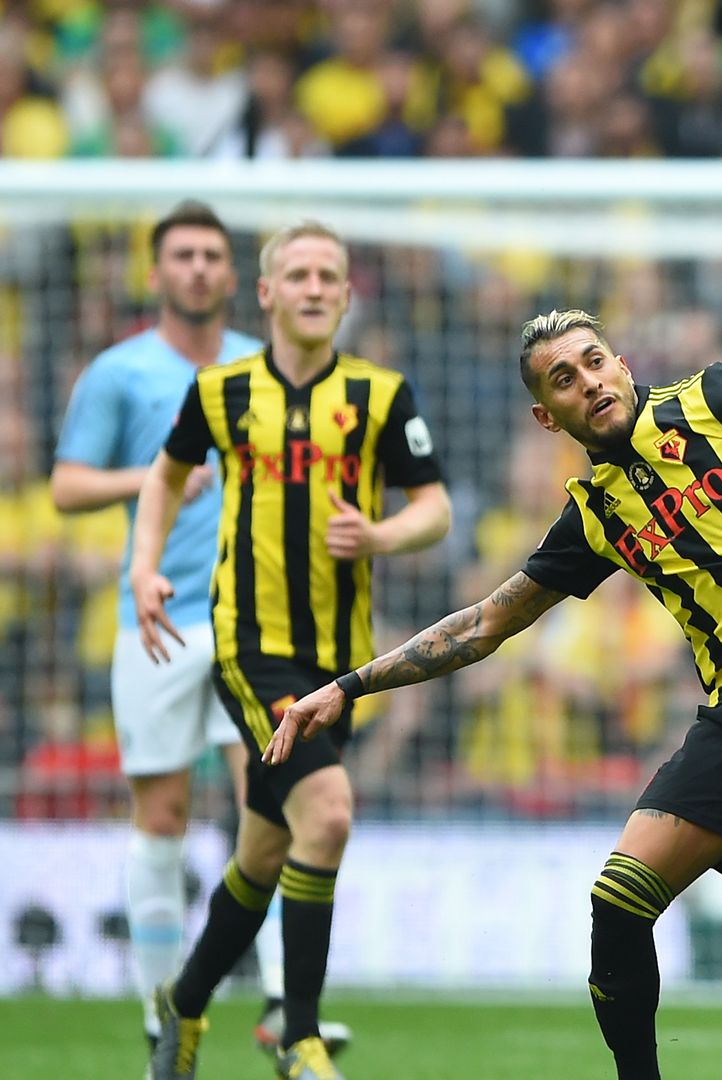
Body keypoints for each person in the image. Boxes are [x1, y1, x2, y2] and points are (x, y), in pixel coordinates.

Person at [266, 310, 722, 1080]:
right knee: (618, 901)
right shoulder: (595, 514)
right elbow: (486, 624)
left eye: (593, 362)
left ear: (621, 363)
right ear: (543, 415)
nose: (588, 383)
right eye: (564, 379)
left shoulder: (710, 399)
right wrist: (350, 685)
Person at [137, 220, 453, 1080]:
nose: (315, 288)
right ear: (268, 293)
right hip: (252, 647)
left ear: (347, 296)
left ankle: (185, 1001)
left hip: (342, 662)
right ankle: (299, 1036)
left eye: (330, 276)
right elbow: (165, 476)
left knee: (263, 853)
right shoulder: (220, 391)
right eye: (299, 275)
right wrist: (142, 569)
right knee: (330, 814)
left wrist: (381, 533)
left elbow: (435, 508)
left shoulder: (383, 395)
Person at [48, 200, 347, 1060]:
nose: (199, 269)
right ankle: (162, 1002)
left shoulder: (270, 366)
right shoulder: (118, 373)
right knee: (164, 810)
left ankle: (289, 1007)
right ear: (157, 273)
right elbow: (65, 487)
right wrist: (160, 477)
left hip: (258, 622)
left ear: (237, 278)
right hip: (161, 619)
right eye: (182, 255)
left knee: (275, 796)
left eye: (213, 255)